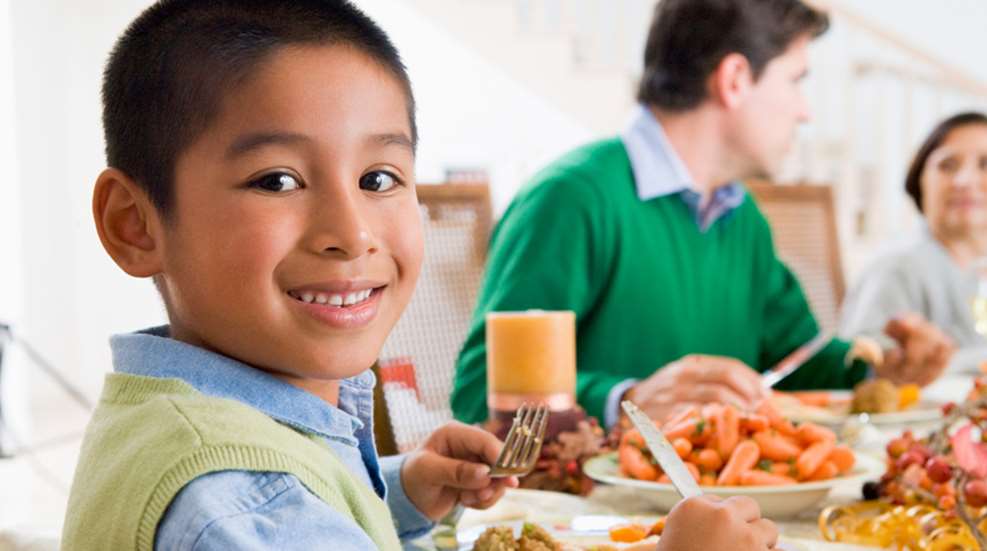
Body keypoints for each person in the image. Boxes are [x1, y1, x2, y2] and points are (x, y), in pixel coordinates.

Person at [61, 1, 779, 550]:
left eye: (379, 175)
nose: (350, 232)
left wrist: (397, 489)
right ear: (136, 223)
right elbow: (277, 513)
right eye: (276, 180)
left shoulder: (188, 417)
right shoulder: (242, 503)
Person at [452, 0, 953, 428]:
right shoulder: (572, 197)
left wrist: (879, 369)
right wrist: (626, 401)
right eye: (796, 82)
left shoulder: (742, 216)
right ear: (735, 79)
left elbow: (793, 363)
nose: (805, 112)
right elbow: (480, 395)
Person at [841, 112, 987, 372]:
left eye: (985, 165)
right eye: (948, 165)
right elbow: (858, 365)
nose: (964, 181)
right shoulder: (896, 268)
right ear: (919, 180)